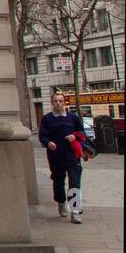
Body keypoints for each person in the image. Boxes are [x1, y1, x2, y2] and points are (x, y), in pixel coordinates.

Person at [38, 92, 86, 224]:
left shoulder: (73, 118)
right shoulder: (47, 119)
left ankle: (75, 212)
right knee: (58, 182)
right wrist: (48, 142)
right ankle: (61, 201)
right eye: (55, 101)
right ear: (52, 103)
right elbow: (43, 135)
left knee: (75, 183)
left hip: (72, 155)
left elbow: (81, 133)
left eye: (60, 101)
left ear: (64, 102)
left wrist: (74, 136)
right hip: (56, 156)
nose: (58, 103)